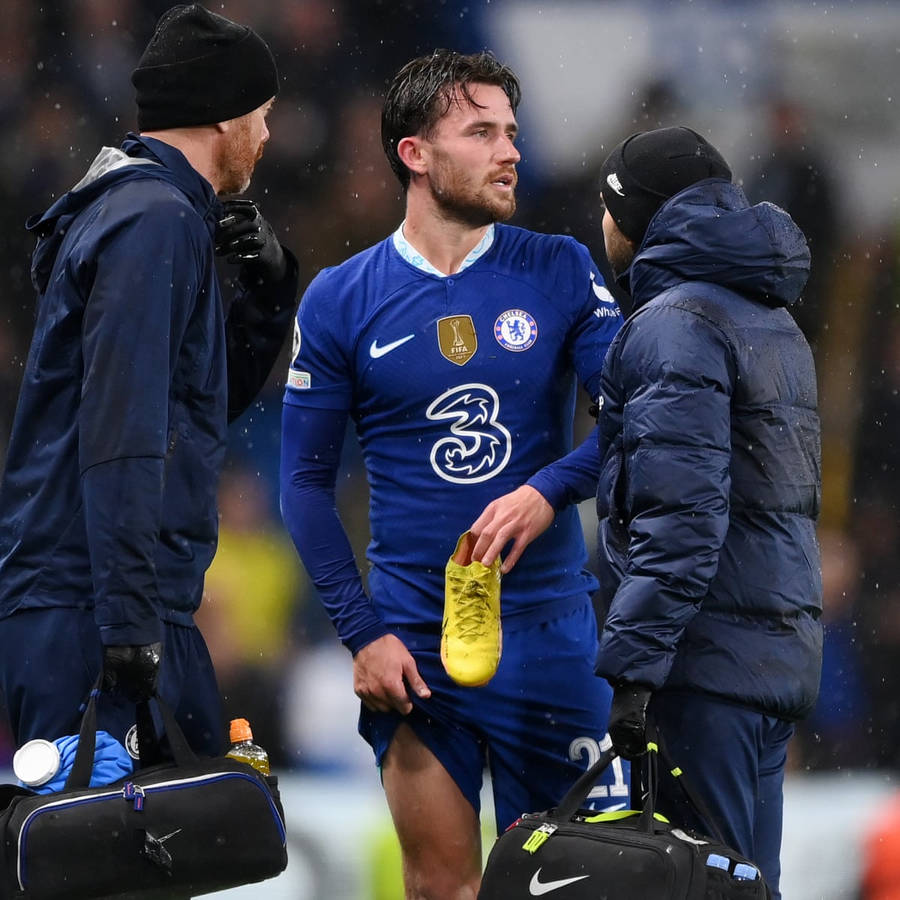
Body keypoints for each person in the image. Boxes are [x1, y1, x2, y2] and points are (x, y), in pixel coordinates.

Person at [280, 49, 626, 899]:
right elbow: (303, 487)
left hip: (550, 634)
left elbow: (636, 417)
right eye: (481, 132)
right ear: (416, 154)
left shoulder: (559, 267)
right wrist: (363, 633)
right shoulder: (339, 299)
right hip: (414, 642)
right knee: (442, 889)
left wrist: (552, 489)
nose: (511, 150)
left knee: (571, 885)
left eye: (512, 131)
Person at [0, 4, 298, 761]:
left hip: (114, 600)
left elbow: (189, 414)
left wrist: (267, 298)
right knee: (109, 867)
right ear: (224, 117)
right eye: (261, 115)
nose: (266, 137)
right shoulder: (154, 221)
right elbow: (123, 434)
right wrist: (129, 625)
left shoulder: (153, 213)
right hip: (98, 610)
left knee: (156, 862)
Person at [592, 126, 822, 898]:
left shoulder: (674, 324)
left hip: (703, 661)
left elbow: (681, 518)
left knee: (702, 888)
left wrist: (632, 668)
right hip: (768, 657)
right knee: (750, 887)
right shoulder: (770, 315)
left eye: (607, 206)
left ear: (637, 217)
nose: (600, 225)